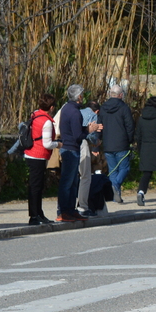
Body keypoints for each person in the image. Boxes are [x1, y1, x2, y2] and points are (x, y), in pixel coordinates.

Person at [55, 84, 94, 223]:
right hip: (71, 148)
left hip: (68, 147)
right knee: (68, 182)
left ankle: (70, 210)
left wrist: (85, 129)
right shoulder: (75, 112)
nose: (83, 97)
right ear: (79, 97)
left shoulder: (66, 108)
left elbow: (73, 129)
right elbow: (78, 135)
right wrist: (89, 130)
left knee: (72, 182)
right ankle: (63, 211)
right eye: (82, 95)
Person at [24, 94, 58, 226]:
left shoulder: (35, 115)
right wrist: (59, 144)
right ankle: (34, 215)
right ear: (51, 107)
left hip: (31, 153)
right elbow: (47, 143)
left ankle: (38, 213)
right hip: (38, 155)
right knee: (36, 187)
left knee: (35, 186)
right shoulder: (47, 121)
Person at [100, 83, 135, 203]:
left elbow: (100, 125)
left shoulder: (103, 108)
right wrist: (130, 140)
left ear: (110, 94)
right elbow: (130, 126)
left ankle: (116, 195)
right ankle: (115, 186)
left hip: (108, 144)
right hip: (121, 143)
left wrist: (99, 140)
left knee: (113, 170)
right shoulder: (124, 108)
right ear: (120, 95)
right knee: (125, 168)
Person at [77, 100, 101, 218]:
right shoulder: (93, 115)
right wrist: (96, 142)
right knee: (85, 176)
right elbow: (91, 135)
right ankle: (83, 206)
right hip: (83, 144)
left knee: (71, 177)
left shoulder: (77, 112)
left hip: (70, 144)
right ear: (97, 111)